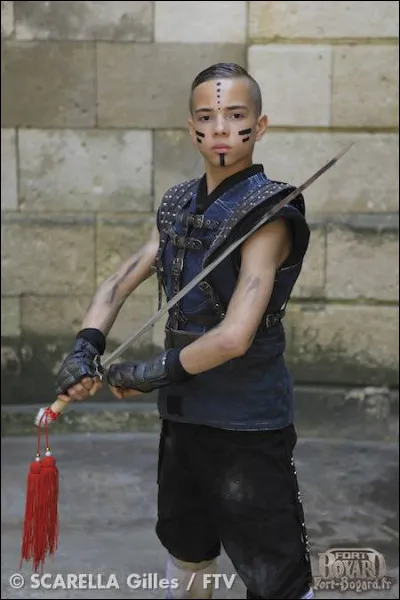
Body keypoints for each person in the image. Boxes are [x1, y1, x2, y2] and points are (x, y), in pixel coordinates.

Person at [55, 63, 315, 599]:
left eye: (235, 116)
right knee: (187, 547)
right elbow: (118, 281)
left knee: (275, 576)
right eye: (207, 116)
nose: (221, 128)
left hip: (245, 418)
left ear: (260, 126)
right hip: (184, 416)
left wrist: (154, 371)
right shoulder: (177, 204)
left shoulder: (271, 214)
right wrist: (86, 345)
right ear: (191, 126)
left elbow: (235, 335)